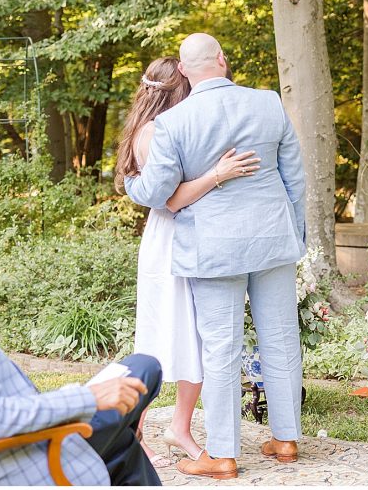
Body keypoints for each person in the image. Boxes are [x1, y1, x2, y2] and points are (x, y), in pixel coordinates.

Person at [125, 33, 307, 480]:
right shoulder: (268, 103)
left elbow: (156, 192)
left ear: (185, 71)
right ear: (222, 60)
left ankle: (222, 454)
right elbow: (295, 179)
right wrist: (295, 235)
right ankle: (286, 439)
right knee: (281, 338)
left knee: (221, 348)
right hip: (272, 240)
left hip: (212, 249)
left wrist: (130, 183)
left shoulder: (175, 122)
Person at [114, 56, 261, 467]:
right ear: (178, 90)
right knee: (160, 342)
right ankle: (133, 433)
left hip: (194, 238)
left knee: (195, 341)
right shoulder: (153, 133)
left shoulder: (177, 126)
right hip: (168, 243)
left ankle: (180, 427)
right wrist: (219, 174)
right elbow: (172, 199)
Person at [0, 302, 163, 486]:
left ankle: (121, 432)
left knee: (124, 443)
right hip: (28, 457)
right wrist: (90, 397)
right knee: (145, 368)